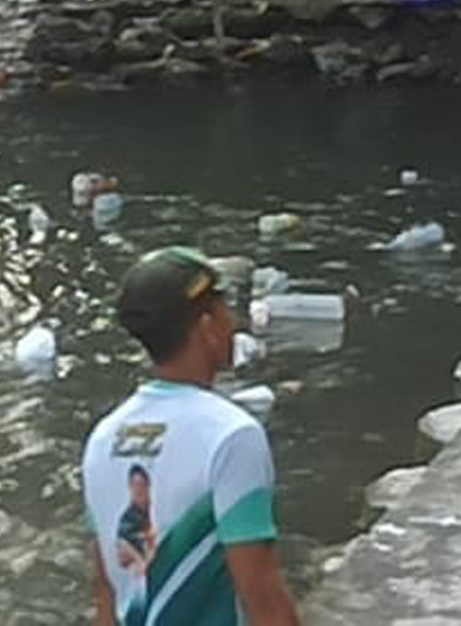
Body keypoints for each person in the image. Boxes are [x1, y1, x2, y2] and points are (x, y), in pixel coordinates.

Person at [82, 247, 300, 625]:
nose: (232, 322)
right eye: (224, 308)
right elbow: (262, 596)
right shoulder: (231, 435)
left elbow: (105, 595)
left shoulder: (102, 439)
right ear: (207, 326)